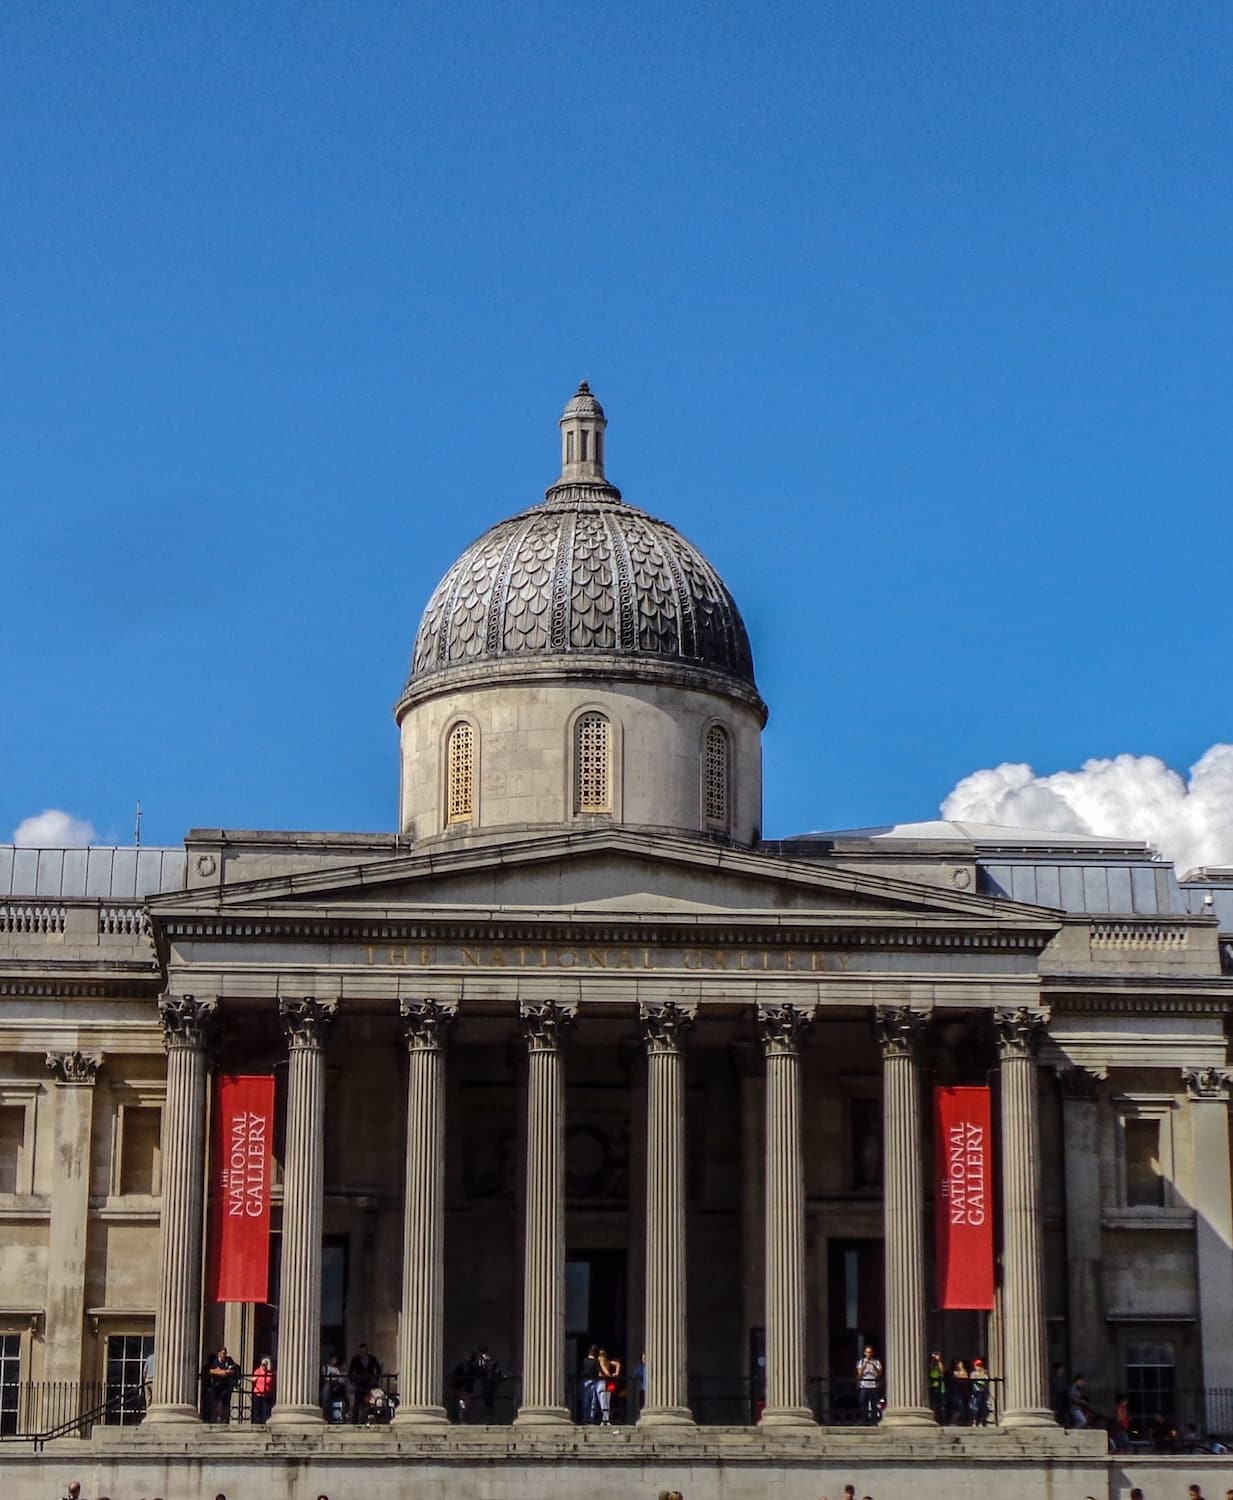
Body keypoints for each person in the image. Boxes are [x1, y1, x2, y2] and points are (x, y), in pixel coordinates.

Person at [203, 1346, 239, 1424]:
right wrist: (220, 1372)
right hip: (217, 1387)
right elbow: (210, 1370)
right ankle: (216, 1419)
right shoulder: (214, 1362)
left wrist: (225, 1372)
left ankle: (225, 1420)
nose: (224, 1355)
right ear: (219, 1354)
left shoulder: (229, 1360)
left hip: (226, 1386)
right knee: (217, 1404)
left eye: (225, 1353)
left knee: (226, 1404)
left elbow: (233, 1370)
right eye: (222, 1353)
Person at [348, 1343, 382, 1424]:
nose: (363, 1352)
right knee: (357, 1402)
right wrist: (353, 1381)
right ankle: (354, 1421)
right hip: (359, 1383)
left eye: (365, 1350)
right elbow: (350, 1371)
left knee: (371, 1402)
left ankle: (372, 1419)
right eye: (362, 1351)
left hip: (370, 1383)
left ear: (367, 1351)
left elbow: (378, 1369)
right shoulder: (355, 1359)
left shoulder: (372, 1358)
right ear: (359, 1351)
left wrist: (375, 1379)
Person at [472, 1347, 504, 1422]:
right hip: (485, 1384)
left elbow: (497, 1372)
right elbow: (477, 1371)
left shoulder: (492, 1363)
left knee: (490, 1402)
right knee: (487, 1401)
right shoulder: (481, 1363)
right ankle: (488, 1417)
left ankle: (490, 1417)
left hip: (491, 1385)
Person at [855, 1345, 882, 1424]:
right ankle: (864, 1420)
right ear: (864, 1353)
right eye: (867, 1352)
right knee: (863, 1403)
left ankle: (873, 1421)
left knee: (874, 1404)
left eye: (870, 1352)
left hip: (873, 1385)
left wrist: (873, 1365)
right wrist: (865, 1365)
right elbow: (859, 1374)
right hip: (864, 1385)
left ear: (872, 1353)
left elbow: (879, 1374)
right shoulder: (861, 1362)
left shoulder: (876, 1362)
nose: (868, 1354)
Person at [320, 1352, 347, 1422]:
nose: (334, 1361)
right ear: (330, 1360)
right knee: (325, 1400)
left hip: (335, 1387)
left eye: (335, 1360)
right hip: (327, 1385)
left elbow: (340, 1379)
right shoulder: (325, 1367)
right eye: (333, 1360)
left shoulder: (336, 1369)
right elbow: (325, 1377)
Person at [596, 1347, 621, 1425]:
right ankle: (606, 1420)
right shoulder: (608, 1362)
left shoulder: (601, 1361)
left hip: (603, 1382)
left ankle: (605, 1420)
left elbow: (606, 1372)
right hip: (610, 1383)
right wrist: (616, 1373)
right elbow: (618, 1364)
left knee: (603, 1402)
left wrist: (607, 1374)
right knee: (607, 1402)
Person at [580, 1344, 600, 1424]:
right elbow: (599, 1373)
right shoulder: (595, 1361)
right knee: (592, 1401)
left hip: (585, 1381)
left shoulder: (584, 1361)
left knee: (585, 1400)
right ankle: (591, 1419)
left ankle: (585, 1418)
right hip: (593, 1381)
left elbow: (581, 1371)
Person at [251, 1356, 274, 1424]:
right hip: (258, 1393)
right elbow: (253, 1379)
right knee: (257, 1409)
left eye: (265, 1364)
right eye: (262, 1364)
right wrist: (256, 1377)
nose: (263, 1366)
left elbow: (269, 1382)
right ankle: (256, 1422)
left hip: (266, 1394)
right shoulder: (258, 1371)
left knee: (265, 1410)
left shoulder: (270, 1373)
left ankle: (264, 1423)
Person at [968, 1357, 990, 1426]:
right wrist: (981, 1374)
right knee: (975, 1407)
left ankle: (981, 1421)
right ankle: (975, 1421)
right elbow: (973, 1379)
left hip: (983, 1392)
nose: (979, 1367)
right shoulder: (973, 1373)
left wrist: (984, 1374)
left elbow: (986, 1380)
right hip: (976, 1392)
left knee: (983, 1407)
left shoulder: (985, 1374)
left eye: (981, 1365)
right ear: (975, 1366)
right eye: (978, 1365)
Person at [947, 1359, 970, 1426]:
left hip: (962, 1391)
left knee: (962, 1406)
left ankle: (961, 1420)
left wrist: (962, 1368)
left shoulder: (963, 1371)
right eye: (959, 1364)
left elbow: (966, 1376)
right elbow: (958, 1376)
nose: (959, 1365)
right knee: (956, 1406)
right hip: (955, 1391)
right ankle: (954, 1421)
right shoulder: (954, 1372)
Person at [927, 1350, 946, 1424]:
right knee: (932, 1404)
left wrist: (939, 1360)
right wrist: (932, 1360)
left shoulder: (938, 1366)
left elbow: (942, 1370)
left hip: (939, 1387)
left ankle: (940, 1420)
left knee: (940, 1405)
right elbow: (929, 1369)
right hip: (932, 1387)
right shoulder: (930, 1366)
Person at [1049, 1361, 1069, 1425]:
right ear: (1058, 1369)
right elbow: (1055, 1389)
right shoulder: (1054, 1378)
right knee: (1057, 1415)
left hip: (1062, 1400)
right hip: (1056, 1400)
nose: (1063, 1370)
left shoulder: (1061, 1378)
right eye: (1062, 1368)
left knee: (1061, 1415)